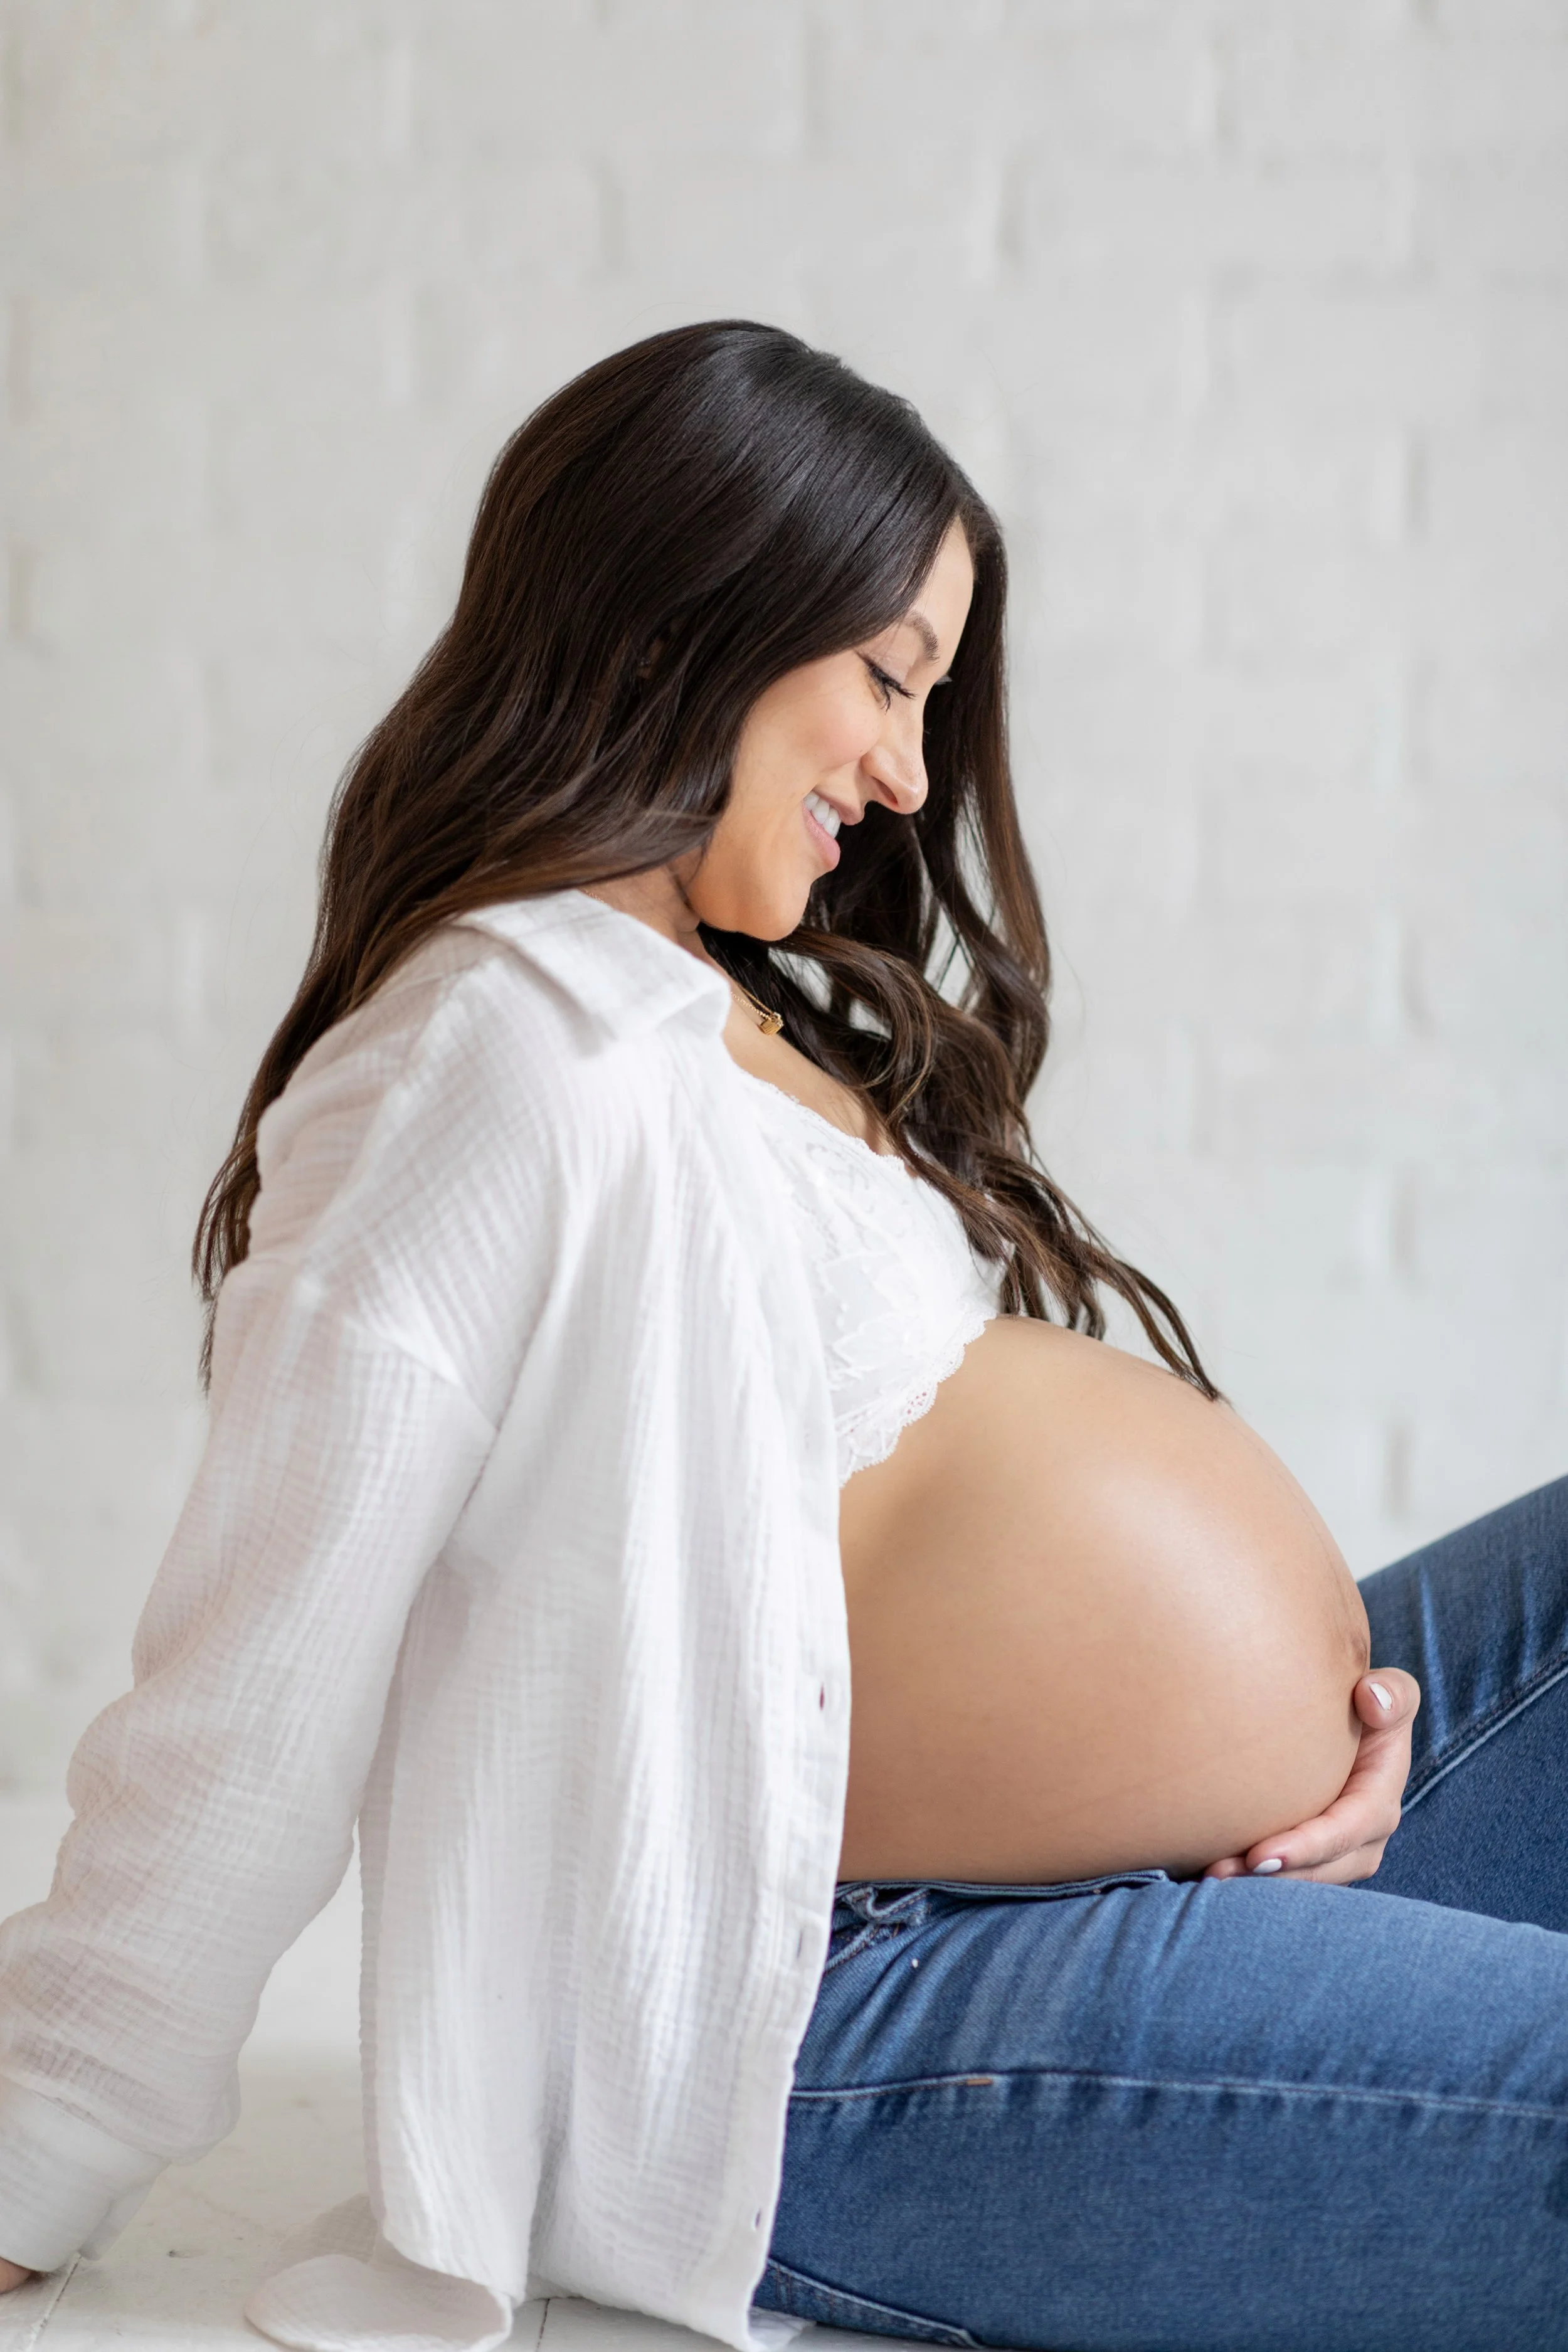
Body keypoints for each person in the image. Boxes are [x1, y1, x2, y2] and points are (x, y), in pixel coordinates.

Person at [0, 320, 1564, 2352]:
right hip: (827, 2025)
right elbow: (265, 1671)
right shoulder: (493, 1049)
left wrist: (1323, 1726)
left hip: (1144, 1863)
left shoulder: (713, 1005)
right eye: (889, 678)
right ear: (697, 610)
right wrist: (45, 2131)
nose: (909, 774)